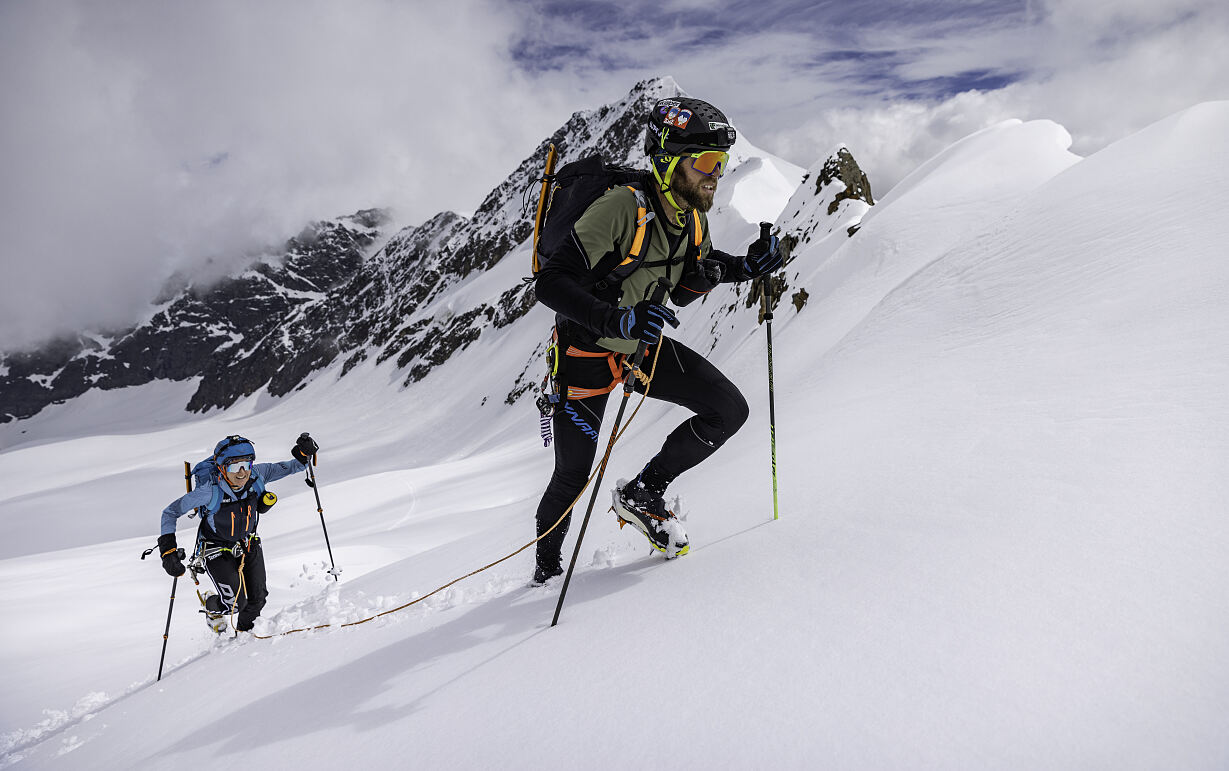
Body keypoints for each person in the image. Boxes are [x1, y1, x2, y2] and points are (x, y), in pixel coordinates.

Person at [531, 97, 783, 584]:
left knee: (728, 410)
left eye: (722, 163)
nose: (716, 174)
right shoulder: (621, 209)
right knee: (573, 476)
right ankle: (545, 575)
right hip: (585, 357)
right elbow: (551, 282)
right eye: (706, 162)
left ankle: (647, 490)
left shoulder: (690, 217)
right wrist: (616, 320)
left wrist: (742, 268)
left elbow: (693, 272)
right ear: (668, 161)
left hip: (640, 350)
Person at [156, 432, 319, 632]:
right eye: (234, 466)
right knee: (234, 604)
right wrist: (167, 551)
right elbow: (170, 512)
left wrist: (304, 454)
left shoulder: (258, 474)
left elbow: (295, 466)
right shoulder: (209, 491)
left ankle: (243, 641)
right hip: (215, 548)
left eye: (247, 465)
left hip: (248, 542)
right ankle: (212, 607)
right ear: (222, 467)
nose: (242, 472)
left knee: (258, 600)